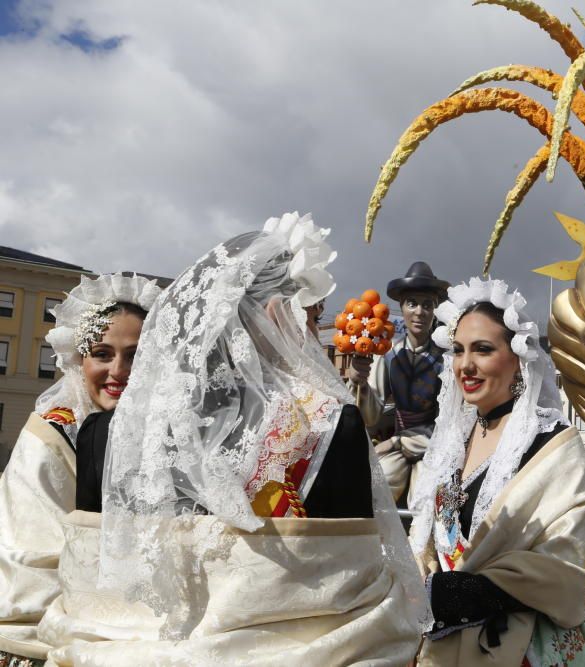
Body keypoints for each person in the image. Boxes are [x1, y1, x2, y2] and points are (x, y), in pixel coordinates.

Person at [37, 213, 427, 665]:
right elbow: (355, 608)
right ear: (278, 315)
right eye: (309, 315)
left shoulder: (105, 433)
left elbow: (88, 589)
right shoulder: (329, 429)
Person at [409, 277, 585, 666]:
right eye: (458, 350)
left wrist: (474, 591)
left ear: (518, 361)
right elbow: (428, 537)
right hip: (441, 641)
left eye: (483, 350)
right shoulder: (451, 442)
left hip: (521, 642)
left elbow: (564, 559)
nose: (465, 365)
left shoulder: (555, 443)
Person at [0, 274, 161, 666]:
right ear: (78, 360)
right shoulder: (50, 436)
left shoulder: (162, 436)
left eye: (135, 356)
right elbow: (32, 566)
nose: (119, 371)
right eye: (103, 354)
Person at [348, 261, 450, 506]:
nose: (419, 312)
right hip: (398, 444)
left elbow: (450, 419)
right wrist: (359, 381)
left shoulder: (446, 359)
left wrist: (395, 441)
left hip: (435, 444)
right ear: (402, 307)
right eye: (412, 303)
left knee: (426, 496)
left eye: (427, 305)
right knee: (377, 483)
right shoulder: (390, 356)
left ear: (435, 309)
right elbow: (370, 416)